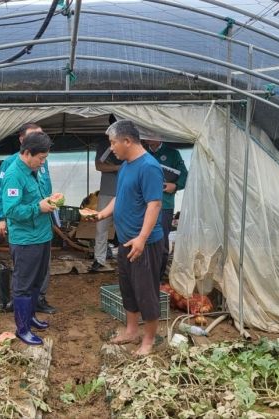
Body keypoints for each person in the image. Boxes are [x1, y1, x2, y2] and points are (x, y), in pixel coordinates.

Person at [96, 120, 164, 356]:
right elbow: (119, 196)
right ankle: (131, 330)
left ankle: (148, 340)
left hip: (143, 243)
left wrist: (142, 238)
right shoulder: (126, 165)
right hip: (126, 241)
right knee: (128, 288)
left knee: (146, 292)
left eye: (113, 143)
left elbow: (154, 204)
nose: (112, 148)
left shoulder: (149, 167)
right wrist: (103, 213)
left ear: (127, 141)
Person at [0, 123, 57, 314]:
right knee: (24, 281)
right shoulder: (13, 170)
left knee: (38, 278)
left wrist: (49, 200)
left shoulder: (38, 163)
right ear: (26, 148)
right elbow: (10, 207)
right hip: (27, 235)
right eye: (41, 157)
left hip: (42, 232)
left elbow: (42, 189)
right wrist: (0, 217)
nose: (43, 161)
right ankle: (23, 325)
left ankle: (33, 311)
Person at [143, 134, 188, 280]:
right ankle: (145, 274)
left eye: (151, 132)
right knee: (143, 240)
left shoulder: (173, 154)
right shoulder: (142, 153)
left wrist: (174, 186)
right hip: (143, 205)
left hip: (164, 205)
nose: (149, 136)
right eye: (146, 132)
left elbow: (184, 176)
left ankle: (158, 276)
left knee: (161, 242)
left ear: (160, 134)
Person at [90, 134, 123, 272]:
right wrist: (117, 167)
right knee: (101, 227)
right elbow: (99, 165)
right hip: (107, 192)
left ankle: (125, 260)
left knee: (124, 227)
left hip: (125, 192)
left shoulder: (129, 142)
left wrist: (113, 167)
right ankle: (99, 259)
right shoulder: (104, 144)